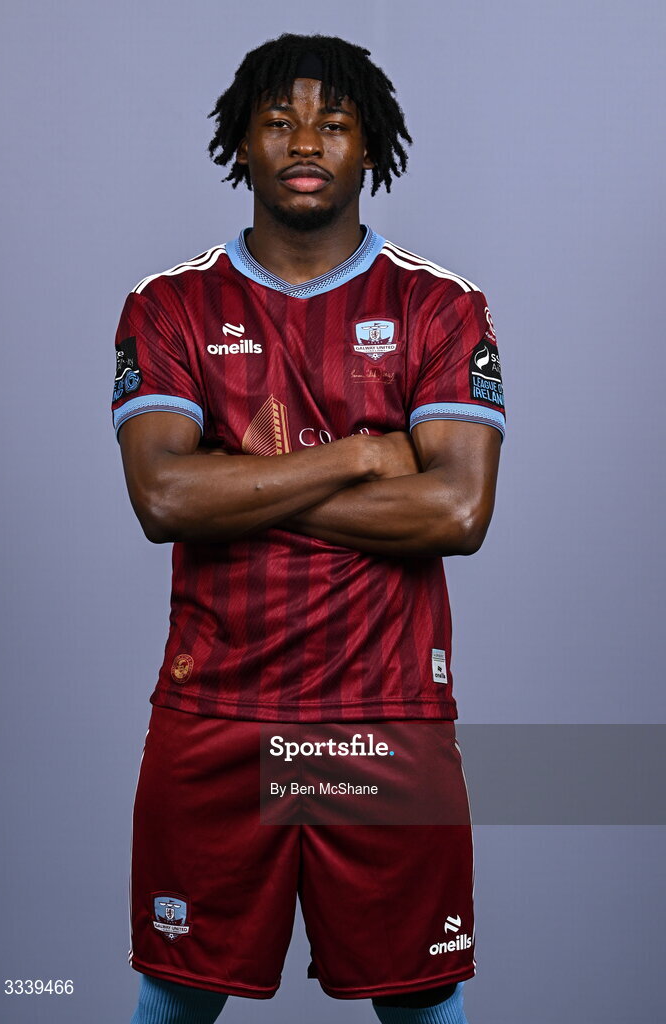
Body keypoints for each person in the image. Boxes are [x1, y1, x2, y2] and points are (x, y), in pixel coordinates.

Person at [112, 32, 504, 1024]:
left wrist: (238, 483)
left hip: (385, 713)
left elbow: (456, 511)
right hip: (218, 712)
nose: (303, 142)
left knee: (422, 1000)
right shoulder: (171, 305)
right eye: (278, 121)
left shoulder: (438, 305)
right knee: (175, 995)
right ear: (241, 143)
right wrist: (361, 456)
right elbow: (164, 501)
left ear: (369, 147)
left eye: (333, 124)